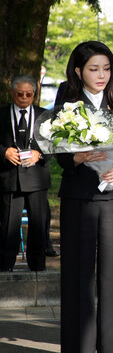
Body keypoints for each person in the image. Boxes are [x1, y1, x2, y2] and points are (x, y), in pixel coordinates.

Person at [55, 41, 113, 353]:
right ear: (78, 71)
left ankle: (110, 346)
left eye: (106, 68)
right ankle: (82, 347)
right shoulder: (66, 105)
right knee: (79, 271)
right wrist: (75, 157)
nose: (101, 75)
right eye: (93, 69)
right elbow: (57, 151)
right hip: (79, 196)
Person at [0, 74, 51, 272]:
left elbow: (55, 144)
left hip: (37, 178)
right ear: (12, 93)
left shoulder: (45, 116)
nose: (24, 98)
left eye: (28, 94)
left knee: (38, 226)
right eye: (20, 94)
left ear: (34, 94)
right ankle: (5, 270)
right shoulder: (2, 114)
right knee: (8, 228)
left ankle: (38, 269)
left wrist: (40, 154)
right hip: (9, 178)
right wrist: (3, 151)